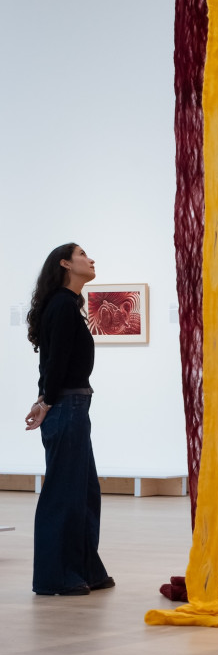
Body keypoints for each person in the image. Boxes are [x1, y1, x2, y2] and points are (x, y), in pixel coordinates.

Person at [24, 244, 113, 596]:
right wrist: (46, 399)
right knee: (64, 494)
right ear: (65, 263)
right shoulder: (61, 304)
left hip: (73, 406)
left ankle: (85, 568)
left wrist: (44, 395)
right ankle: (57, 577)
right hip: (66, 406)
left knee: (86, 492)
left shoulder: (67, 305)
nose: (91, 260)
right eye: (82, 254)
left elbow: (51, 359)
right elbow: (55, 359)